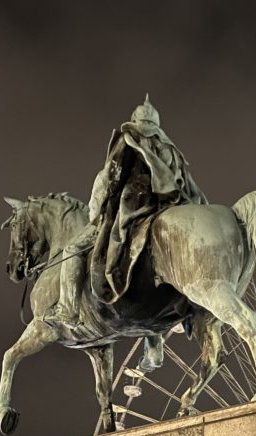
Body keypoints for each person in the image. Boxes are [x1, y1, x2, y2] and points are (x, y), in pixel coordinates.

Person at [46, 95, 207, 330]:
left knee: (72, 249)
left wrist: (97, 218)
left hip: (134, 206)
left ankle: (68, 310)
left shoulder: (128, 140)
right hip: (172, 205)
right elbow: (188, 185)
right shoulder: (172, 150)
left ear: (135, 121)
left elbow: (109, 181)